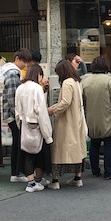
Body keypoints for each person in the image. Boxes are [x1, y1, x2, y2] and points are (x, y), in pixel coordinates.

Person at [46, 60, 88, 189]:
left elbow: (65, 102)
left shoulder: (67, 83)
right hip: (77, 120)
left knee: (58, 150)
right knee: (77, 150)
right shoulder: (76, 82)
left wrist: (52, 110)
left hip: (67, 121)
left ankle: (55, 180)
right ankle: (78, 178)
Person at [82, 56, 111, 180]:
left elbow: (82, 101)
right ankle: (108, 172)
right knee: (109, 144)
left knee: (94, 144)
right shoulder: (109, 81)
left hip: (91, 119)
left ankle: (95, 170)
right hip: (107, 118)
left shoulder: (85, 81)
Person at [15, 64, 53, 192]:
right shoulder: (37, 88)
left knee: (27, 154)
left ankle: (31, 182)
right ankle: (36, 180)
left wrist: (20, 123)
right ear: (38, 75)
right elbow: (41, 111)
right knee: (40, 153)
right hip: (37, 125)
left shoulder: (20, 88)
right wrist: (48, 133)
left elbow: (17, 109)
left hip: (24, 124)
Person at [0, 48, 33, 183]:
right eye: (24, 61)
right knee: (19, 144)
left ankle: (16, 172)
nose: (25, 65)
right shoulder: (13, 73)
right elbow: (12, 97)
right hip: (14, 115)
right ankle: (17, 172)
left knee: (17, 143)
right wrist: (19, 116)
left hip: (10, 115)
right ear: (17, 58)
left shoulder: (8, 71)